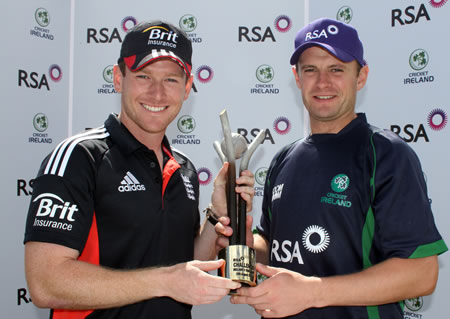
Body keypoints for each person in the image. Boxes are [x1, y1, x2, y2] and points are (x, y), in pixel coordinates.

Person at [217, 17, 448, 318]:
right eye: (310, 70)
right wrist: (248, 243)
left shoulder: (386, 154)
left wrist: (311, 293)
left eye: (336, 70)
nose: (322, 82)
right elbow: (274, 244)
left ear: (361, 76)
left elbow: (422, 274)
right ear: (297, 78)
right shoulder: (283, 159)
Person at [24, 20, 255, 319]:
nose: (157, 93)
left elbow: (184, 265)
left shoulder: (184, 168)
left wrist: (215, 214)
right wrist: (166, 282)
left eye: (171, 80)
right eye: (144, 76)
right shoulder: (79, 157)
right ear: (118, 78)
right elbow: (45, 283)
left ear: (187, 87)